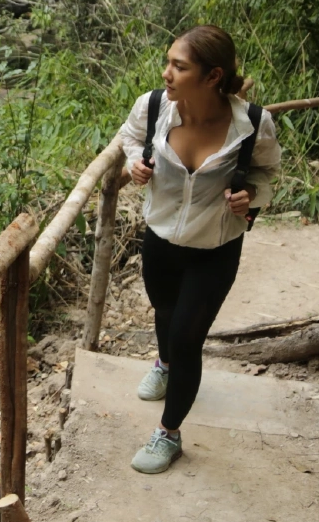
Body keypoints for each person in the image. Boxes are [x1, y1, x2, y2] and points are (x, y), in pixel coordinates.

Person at [117, 25, 281, 474]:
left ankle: (168, 433)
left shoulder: (252, 123)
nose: (166, 73)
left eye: (179, 66)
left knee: (189, 335)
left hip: (216, 247)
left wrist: (252, 197)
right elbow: (128, 138)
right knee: (165, 312)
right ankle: (164, 363)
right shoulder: (152, 107)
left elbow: (267, 173)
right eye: (168, 62)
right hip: (160, 240)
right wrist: (135, 162)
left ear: (212, 76)